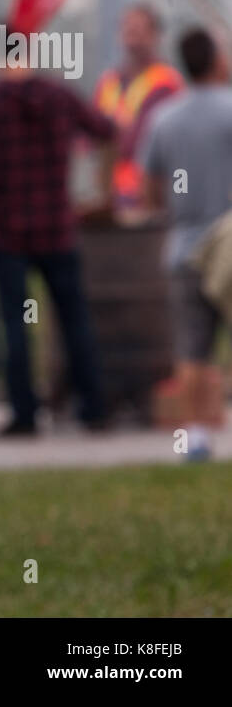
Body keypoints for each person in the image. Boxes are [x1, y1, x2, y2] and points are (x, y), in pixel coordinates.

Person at [0, 27, 114, 436]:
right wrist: (99, 193)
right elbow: (106, 130)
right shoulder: (58, 96)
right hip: (57, 227)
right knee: (75, 320)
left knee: (16, 325)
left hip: (8, 232)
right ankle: (93, 406)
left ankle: (25, 412)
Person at [138, 27, 232, 462]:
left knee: (191, 348)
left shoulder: (164, 118)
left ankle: (194, 437)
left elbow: (149, 191)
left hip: (183, 248)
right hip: (228, 246)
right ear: (216, 60)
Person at [93, 3, 184, 217]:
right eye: (127, 30)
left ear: (155, 36)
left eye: (139, 31)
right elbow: (87, 137)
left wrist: (108, 138)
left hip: (149, 195)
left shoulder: (166, 82)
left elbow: (144, 140)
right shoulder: (109, 82)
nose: (131, 38)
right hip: (109, 196)